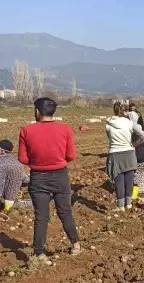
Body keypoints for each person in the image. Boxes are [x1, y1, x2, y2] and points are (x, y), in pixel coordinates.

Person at [18, 97, 83, 264]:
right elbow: (71, 156)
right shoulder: (65, 129)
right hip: (60, 176)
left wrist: (38, 162)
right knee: (65, 212)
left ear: (37, 112)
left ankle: (39, 253)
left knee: (41, 216)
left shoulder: (26, 130)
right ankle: (76, 245)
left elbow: (23, 158)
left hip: (38, 177)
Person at [106, 102, 144, 211]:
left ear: (114, 110)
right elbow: (143, 135)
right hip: (129, 153)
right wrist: (135, 144)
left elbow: (109, 137)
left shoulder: (109, 124)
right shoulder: (130, 123)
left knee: (119, 181)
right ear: (125, 111)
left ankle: (120, 206)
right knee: (129, 179)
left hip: (115, 154)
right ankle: (128, 204)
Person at [0, 140, 29, 213]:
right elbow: (25, 180)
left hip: (2, 200)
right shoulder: (18, 162)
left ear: (2, 151)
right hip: (11, 199)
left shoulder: (1, 163)